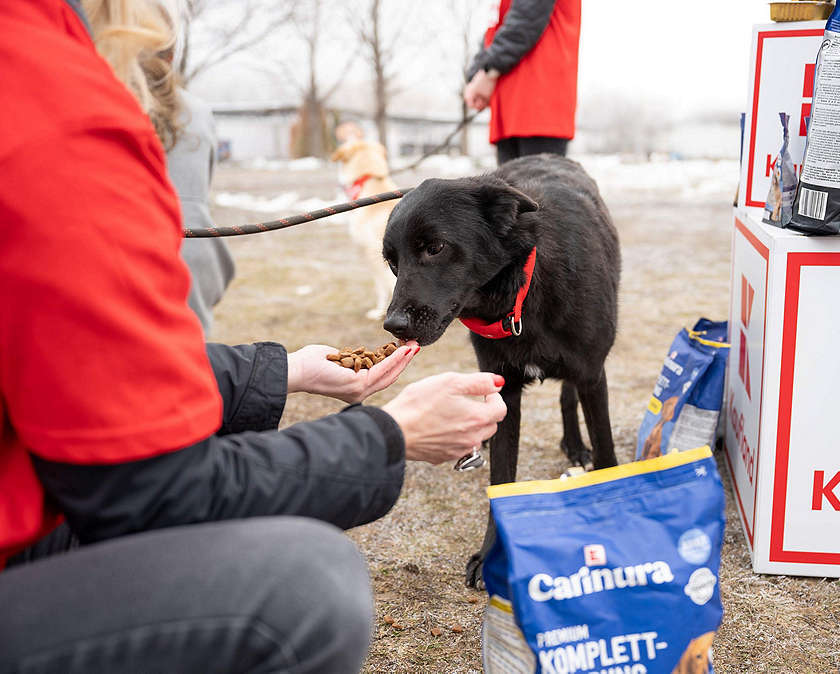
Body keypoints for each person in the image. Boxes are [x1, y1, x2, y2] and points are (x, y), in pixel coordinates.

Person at [0, 1, 507, 672]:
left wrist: (283, 372)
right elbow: (154, 495)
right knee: (305, 586)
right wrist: (393, 436)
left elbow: (80, 374)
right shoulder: (59, 116)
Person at [88, 0, 234, 336]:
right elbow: (194, 210)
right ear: (169, 56)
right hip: (189, 283)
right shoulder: (194, 113)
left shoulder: (92, 105)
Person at [463, 0, 581, 166]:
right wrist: (476, 75)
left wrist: (488, 71)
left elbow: (524, 20)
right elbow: (495, 29)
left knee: (536, 190)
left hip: (539, 105)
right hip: (508, 108)